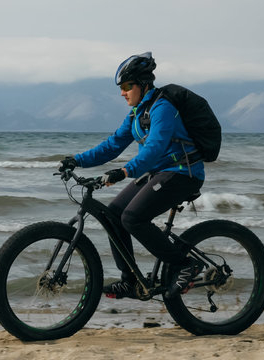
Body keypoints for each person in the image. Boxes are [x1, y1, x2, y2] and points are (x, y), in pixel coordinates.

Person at [58, 52, 205, 299]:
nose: (122, 93)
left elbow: (155, 148)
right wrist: (77, 160)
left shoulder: (162, 107)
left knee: (133, 217)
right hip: (159, 173)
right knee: (114, 214)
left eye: (127, 86)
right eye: (121, 88)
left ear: (143, 84)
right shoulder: (137, 114)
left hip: (182, 173)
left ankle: (185, 265)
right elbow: (113, 144)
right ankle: (130, 281)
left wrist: (125, 171)